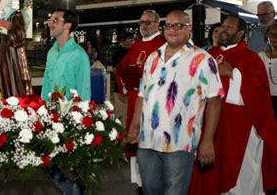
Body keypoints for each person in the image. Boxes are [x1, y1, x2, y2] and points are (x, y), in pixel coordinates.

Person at [128, 10, 223, 195]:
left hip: (180, 142)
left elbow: (214, 101)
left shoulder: (203, 59)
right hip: (147, 140)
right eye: (169, 25)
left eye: (178, 25)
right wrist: (134, 125)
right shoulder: (153, 57)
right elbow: (142, 94)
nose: (172, 30)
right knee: (149, 190)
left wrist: (208, 140)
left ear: (189, 28)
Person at [190, 14, 277, 194]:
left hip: (240, 124)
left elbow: (259, 92)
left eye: (229, 27)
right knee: (211, 172)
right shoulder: (209, 55)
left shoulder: (251, 58)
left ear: (240, 34)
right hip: (210, 122)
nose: (223, 30)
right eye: (222, 26)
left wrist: (234, 73)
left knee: (243, 175)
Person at [116, 10, 166, 191]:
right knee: (135, 139)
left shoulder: (163, 44)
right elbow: (122, 67)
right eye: (142, 22)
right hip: (135, 100)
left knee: (151, 142)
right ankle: (140, 184)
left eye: (148, 22)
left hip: (153, 103)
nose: (144, 26)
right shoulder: (137, 45)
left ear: (157, 24)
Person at [41, 9, 91, 101]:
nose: (50, 24)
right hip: (52, 111)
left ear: (68, 25)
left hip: (71, 111)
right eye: (50, 21)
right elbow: (46, 84)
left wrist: (81, 112)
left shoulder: (79, 54)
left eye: (55, 20)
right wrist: (42, 106)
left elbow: (84, 89)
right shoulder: (51, 52)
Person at [0, 0, 32, 97]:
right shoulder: (2, 18)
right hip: (4, 52)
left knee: (15, 77)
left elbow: (20, 34)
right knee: (5, 77)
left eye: (0, 0)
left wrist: (7, 32)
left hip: (14, 54)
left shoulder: (16, 15)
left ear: (7, 2)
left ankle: (17, 100)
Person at [259, 22, 277, 118]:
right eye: (271, 34)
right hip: (266, 99)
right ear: (267, 38)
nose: (274, 37)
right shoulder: (261, 56)